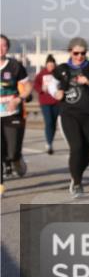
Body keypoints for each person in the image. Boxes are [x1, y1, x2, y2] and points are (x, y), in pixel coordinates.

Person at [45, 38, 89, 198]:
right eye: (76, 53)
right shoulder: (62, 69)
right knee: (77, 147)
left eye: (83, 53)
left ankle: (77, 175)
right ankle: (77, 182)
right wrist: (55, 92)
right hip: (69, 114)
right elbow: (51, 84)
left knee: (86, 153)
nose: (79, 56)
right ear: (70, 52)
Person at [1, 35, 32, 192]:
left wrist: (18, 99)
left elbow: (28, 87)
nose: (0, 48)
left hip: (12, 113)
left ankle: (17, 159)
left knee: (12, 152)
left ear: (7, 48)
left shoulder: (15, 66)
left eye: (3, 45)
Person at [33, 54, 60, 155]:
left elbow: (64, 83)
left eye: (52, 65)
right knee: (48, 122)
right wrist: (41, 89)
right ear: (46, 65)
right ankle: (49, 144)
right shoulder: (41, 74)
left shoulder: (58, 73)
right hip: (45, 102)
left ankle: (50, 141)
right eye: (49, 65)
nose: (50, 67)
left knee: (53, 123)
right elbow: (35, 84)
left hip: (56, 101)